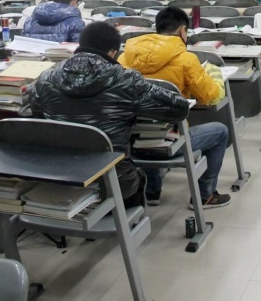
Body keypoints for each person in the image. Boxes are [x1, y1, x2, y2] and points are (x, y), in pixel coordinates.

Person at [28, 22, 191, 208]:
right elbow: (178, 108)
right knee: (133, 169)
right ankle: (128, 226)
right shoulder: (125, 79)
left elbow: (37, 114)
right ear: (113, 52)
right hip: (113, 179)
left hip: (60, 174)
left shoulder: (46, 77)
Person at [119, 6, 232, 209]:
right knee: (220, 131)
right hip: (170, 144)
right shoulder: (186, 59)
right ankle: (205, 195)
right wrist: (213, 75)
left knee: (146, 120)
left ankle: (152, 191)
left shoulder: (124, 58)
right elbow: (210, 97)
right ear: (182, 31)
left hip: (130, 142)